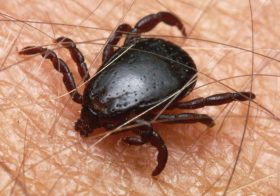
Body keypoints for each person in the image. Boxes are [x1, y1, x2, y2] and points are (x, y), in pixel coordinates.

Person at [0, 1, 278, 195]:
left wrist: (58, 49)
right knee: (131, 34)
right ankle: (242, 97)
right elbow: (168, 126)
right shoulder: (102, 105)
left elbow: (86, 50)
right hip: (170, 68)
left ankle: (241, 97)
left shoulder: (87, 93)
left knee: (130, 34)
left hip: (170, 69)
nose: (87, 118)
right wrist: (201, 119)